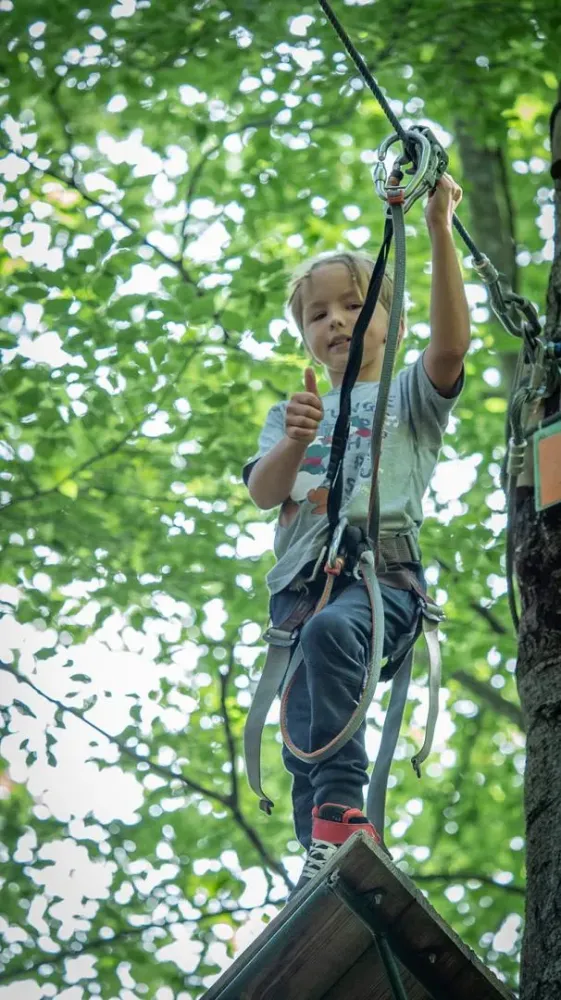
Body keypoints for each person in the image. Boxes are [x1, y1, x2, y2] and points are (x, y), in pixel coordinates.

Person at [242, 174, 470, 896]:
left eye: (353, 304)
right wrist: (293, 441)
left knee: (330, 642)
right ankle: (321, 851)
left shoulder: (407, 394)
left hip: (382, 582)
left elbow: (450, 345)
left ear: (391, 322)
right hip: (303, 596)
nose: (336, 320)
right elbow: (262, 492)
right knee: (305, 714)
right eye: (318, 314)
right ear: (304, 336)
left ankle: (345, 817)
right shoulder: (296, 412)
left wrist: (435, 229)